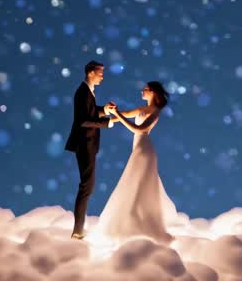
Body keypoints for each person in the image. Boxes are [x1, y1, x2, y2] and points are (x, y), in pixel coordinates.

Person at [96, 81, 176, 243]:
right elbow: (124, 114)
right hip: (138, 148)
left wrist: (117, 115)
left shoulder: (155, 111)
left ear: (153, 92)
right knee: (135, 184)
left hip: (144, 151)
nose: (142, 91)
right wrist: (103, 117)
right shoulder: (143, 109)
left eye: (146, 89)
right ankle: (133, 221)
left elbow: (140, 129)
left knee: (137, 185)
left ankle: (136, 222)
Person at [64, 60, 116, 239]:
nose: (102, 77)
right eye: (100, 73)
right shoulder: (83, 92)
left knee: (88, 186)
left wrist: (104, 110)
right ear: (91, 73)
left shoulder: (88, 92)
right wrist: (106, 123)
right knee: (87, 186)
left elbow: (90, 112)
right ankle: (78, 231)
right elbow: (83, 120)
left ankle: (79, 229)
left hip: (88, 144)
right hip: (84, 144)